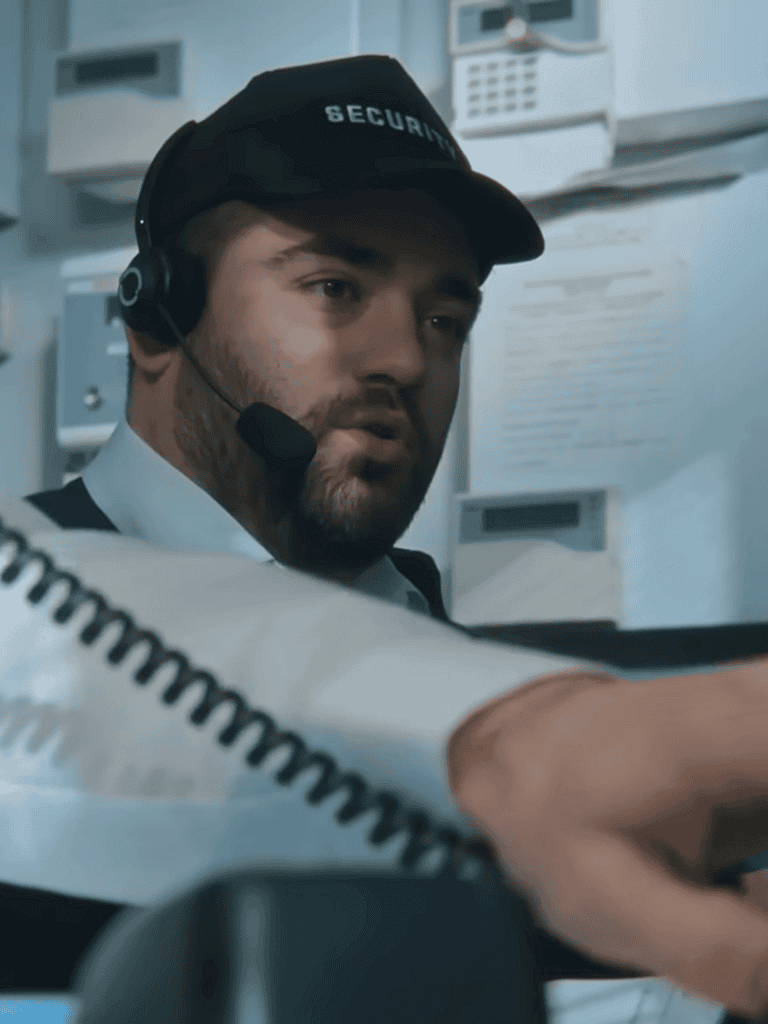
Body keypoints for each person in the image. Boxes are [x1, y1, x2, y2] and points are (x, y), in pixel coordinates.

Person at [5, 54, 768, 1018]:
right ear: (158, 317)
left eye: (446, 317)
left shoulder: (424, 625)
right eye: (334, 287)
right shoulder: (26, 630)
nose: (408, 358)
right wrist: (506, 737)